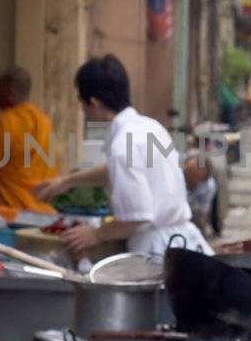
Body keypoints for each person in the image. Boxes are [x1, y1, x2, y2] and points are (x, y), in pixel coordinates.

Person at [32, 55, 213, 257]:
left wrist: (96, 234)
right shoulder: (150, 127)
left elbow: (137, 217)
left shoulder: (123, 145)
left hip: (157, 252)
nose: (82, 110)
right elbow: (117, 169)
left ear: (93, 103)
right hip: (183, 240)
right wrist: (67, 181)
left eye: (82, 104)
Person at [0, 65, 58, 215]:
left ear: (9, 91)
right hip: (40, 211)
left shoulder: (5, 123)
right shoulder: (45, 122)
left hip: (6, 211)